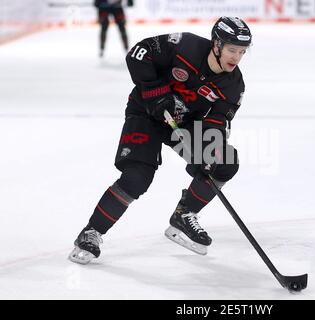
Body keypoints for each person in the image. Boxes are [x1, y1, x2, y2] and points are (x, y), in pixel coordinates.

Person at [69, 17, 252, 264]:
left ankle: (184, 214)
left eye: (242, 52)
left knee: (224, 161)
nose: (236, 57)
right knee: (137, 178)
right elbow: (138, 54)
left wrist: (208, 153)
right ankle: (91, 232)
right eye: (232, 50)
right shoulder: (184, 45)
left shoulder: (234, 85)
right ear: (216, 45)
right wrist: (156, 93)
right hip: (146, 113)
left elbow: (217, 122)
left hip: (183, 125)